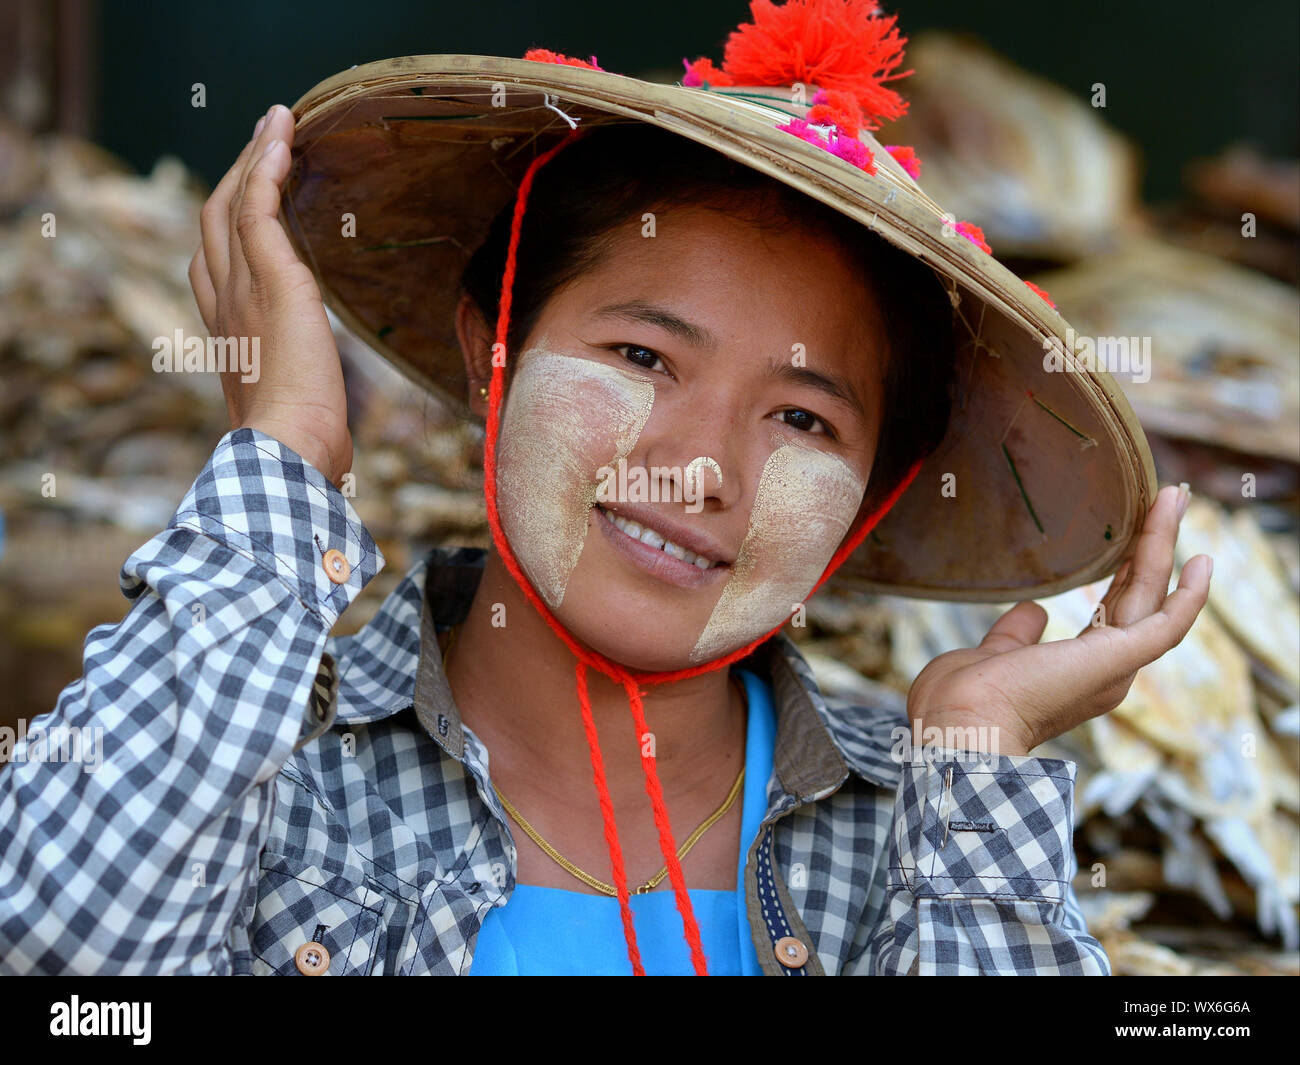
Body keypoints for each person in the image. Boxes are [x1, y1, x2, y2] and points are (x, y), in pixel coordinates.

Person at [0, 1, 1212, 976]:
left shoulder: (915, 830)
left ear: (874, 496)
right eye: (641, 358)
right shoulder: (264, 772)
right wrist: (287, 452)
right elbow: (64, 958)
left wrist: (976, 749)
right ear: (495, 354)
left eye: (800, 417)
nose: (702, 465)